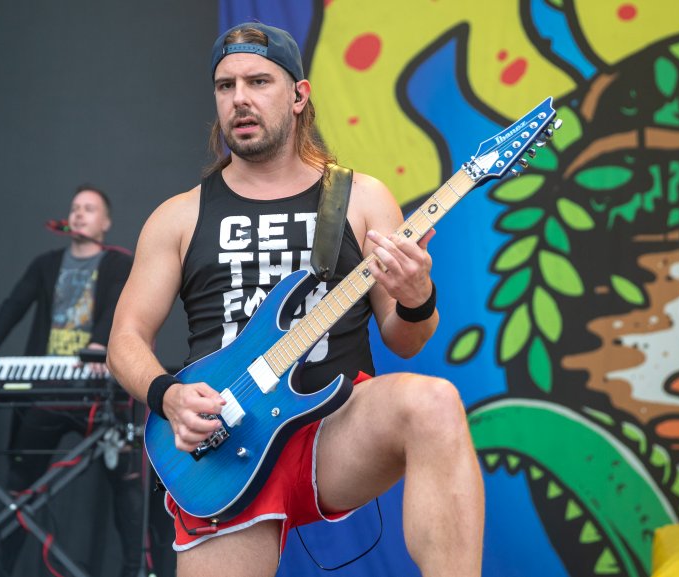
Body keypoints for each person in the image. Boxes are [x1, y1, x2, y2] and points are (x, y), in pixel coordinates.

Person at [107, 22, 483, 577]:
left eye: (259, 81)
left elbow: (407, 339)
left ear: (299, 95)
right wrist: (167, 397)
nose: (240, 99)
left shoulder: (360, 197)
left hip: (335, 425)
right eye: (226, 85)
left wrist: (416, 296)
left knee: (433, 402)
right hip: (225, 441)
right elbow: (124, 341)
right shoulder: (179, 215)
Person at [0, 185, 142, 577]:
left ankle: (136, 570)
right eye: (75, 208)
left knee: (126, 479)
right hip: (48, 387)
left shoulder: (118, 263)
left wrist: (99, 344)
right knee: (19, 479)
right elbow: (14, 303)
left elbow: (121, 303)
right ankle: (1, 568)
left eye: (90, 209)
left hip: (96, 390)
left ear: (106, 223)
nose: (79, 214)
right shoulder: (46, 264)